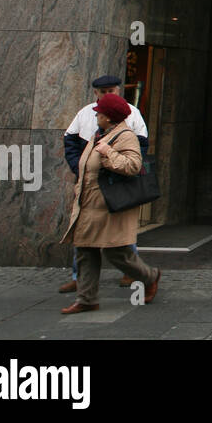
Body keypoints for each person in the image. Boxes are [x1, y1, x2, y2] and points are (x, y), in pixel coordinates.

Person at [60, 94, 161, 314]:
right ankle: (87, 299)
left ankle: (150, 276)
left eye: (100, 112)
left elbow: (133, 165)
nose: (96, 115)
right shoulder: (100, 133)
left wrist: (108, 154)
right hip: (90, 203)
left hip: (109, 206)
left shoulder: (125, 136)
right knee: (86, 250)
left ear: (109, 117)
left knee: (117, 253)